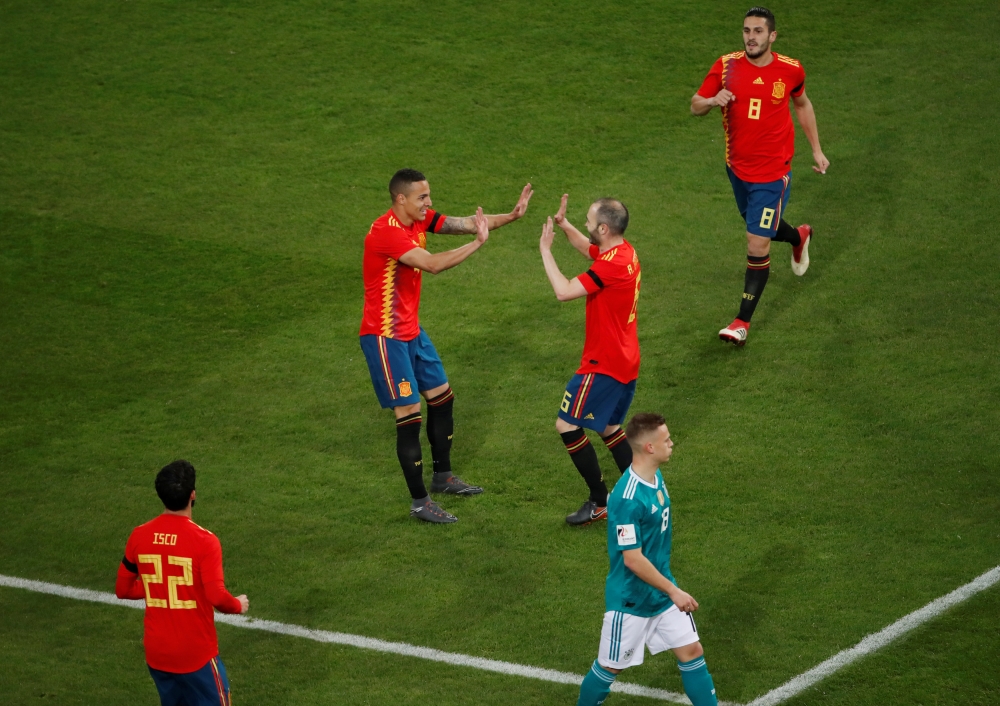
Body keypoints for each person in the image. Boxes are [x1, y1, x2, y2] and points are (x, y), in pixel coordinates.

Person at [360, 169, 533, 523]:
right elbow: (433, 264)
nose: (430, 202)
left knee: (442, 396)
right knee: (408, 415)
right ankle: (420, 503)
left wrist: (511, 217)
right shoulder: (387, 233)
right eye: (423, 197)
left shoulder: (418, 221)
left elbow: (466, 222)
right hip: (385, 338)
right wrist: (478, 244)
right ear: (401, 199)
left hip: (411, 332)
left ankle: (442, 477)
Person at [691, 6, 830, 346]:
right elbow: (694, 105)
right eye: (746, 31)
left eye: (757, 31)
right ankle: (799, 237)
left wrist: (816, 150)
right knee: (760, 227)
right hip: (737, 168)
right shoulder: (726, 66)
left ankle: (741, 322)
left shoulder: (791, 70)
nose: (750, 37)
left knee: (756, 242)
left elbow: (802, 105)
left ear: (772, 36)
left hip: (772, 173)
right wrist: (711, 100)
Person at [575, 413, 718, 706]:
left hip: (661, 593)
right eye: (666, 440)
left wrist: (668, 590)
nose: (671, 443)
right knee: (610, 667)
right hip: (631, 600)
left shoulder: (654, 476)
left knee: (692, 652)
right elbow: (633, 560)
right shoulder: (627, 499)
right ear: (650, 448)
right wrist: (673, 591)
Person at [539, 194, 640, 526]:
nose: (585, 224)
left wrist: (546, 251)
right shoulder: (624, 253)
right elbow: (589, 249)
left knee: (567, 425)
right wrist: (565, 225)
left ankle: (600, 502)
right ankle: (646, 496)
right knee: (610, 427)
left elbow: (564, 290)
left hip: (603, 364)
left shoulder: (610, 265)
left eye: (588, 220)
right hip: (626, 359)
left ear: (604, 227)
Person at [115, 460, 249, 706]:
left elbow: (122, 590)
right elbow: (218, 597)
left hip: (157, 653)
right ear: (193, 495)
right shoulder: (205, 541)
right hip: (195, 654)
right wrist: (238, 605)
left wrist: (159, 586)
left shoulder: (139, 535)